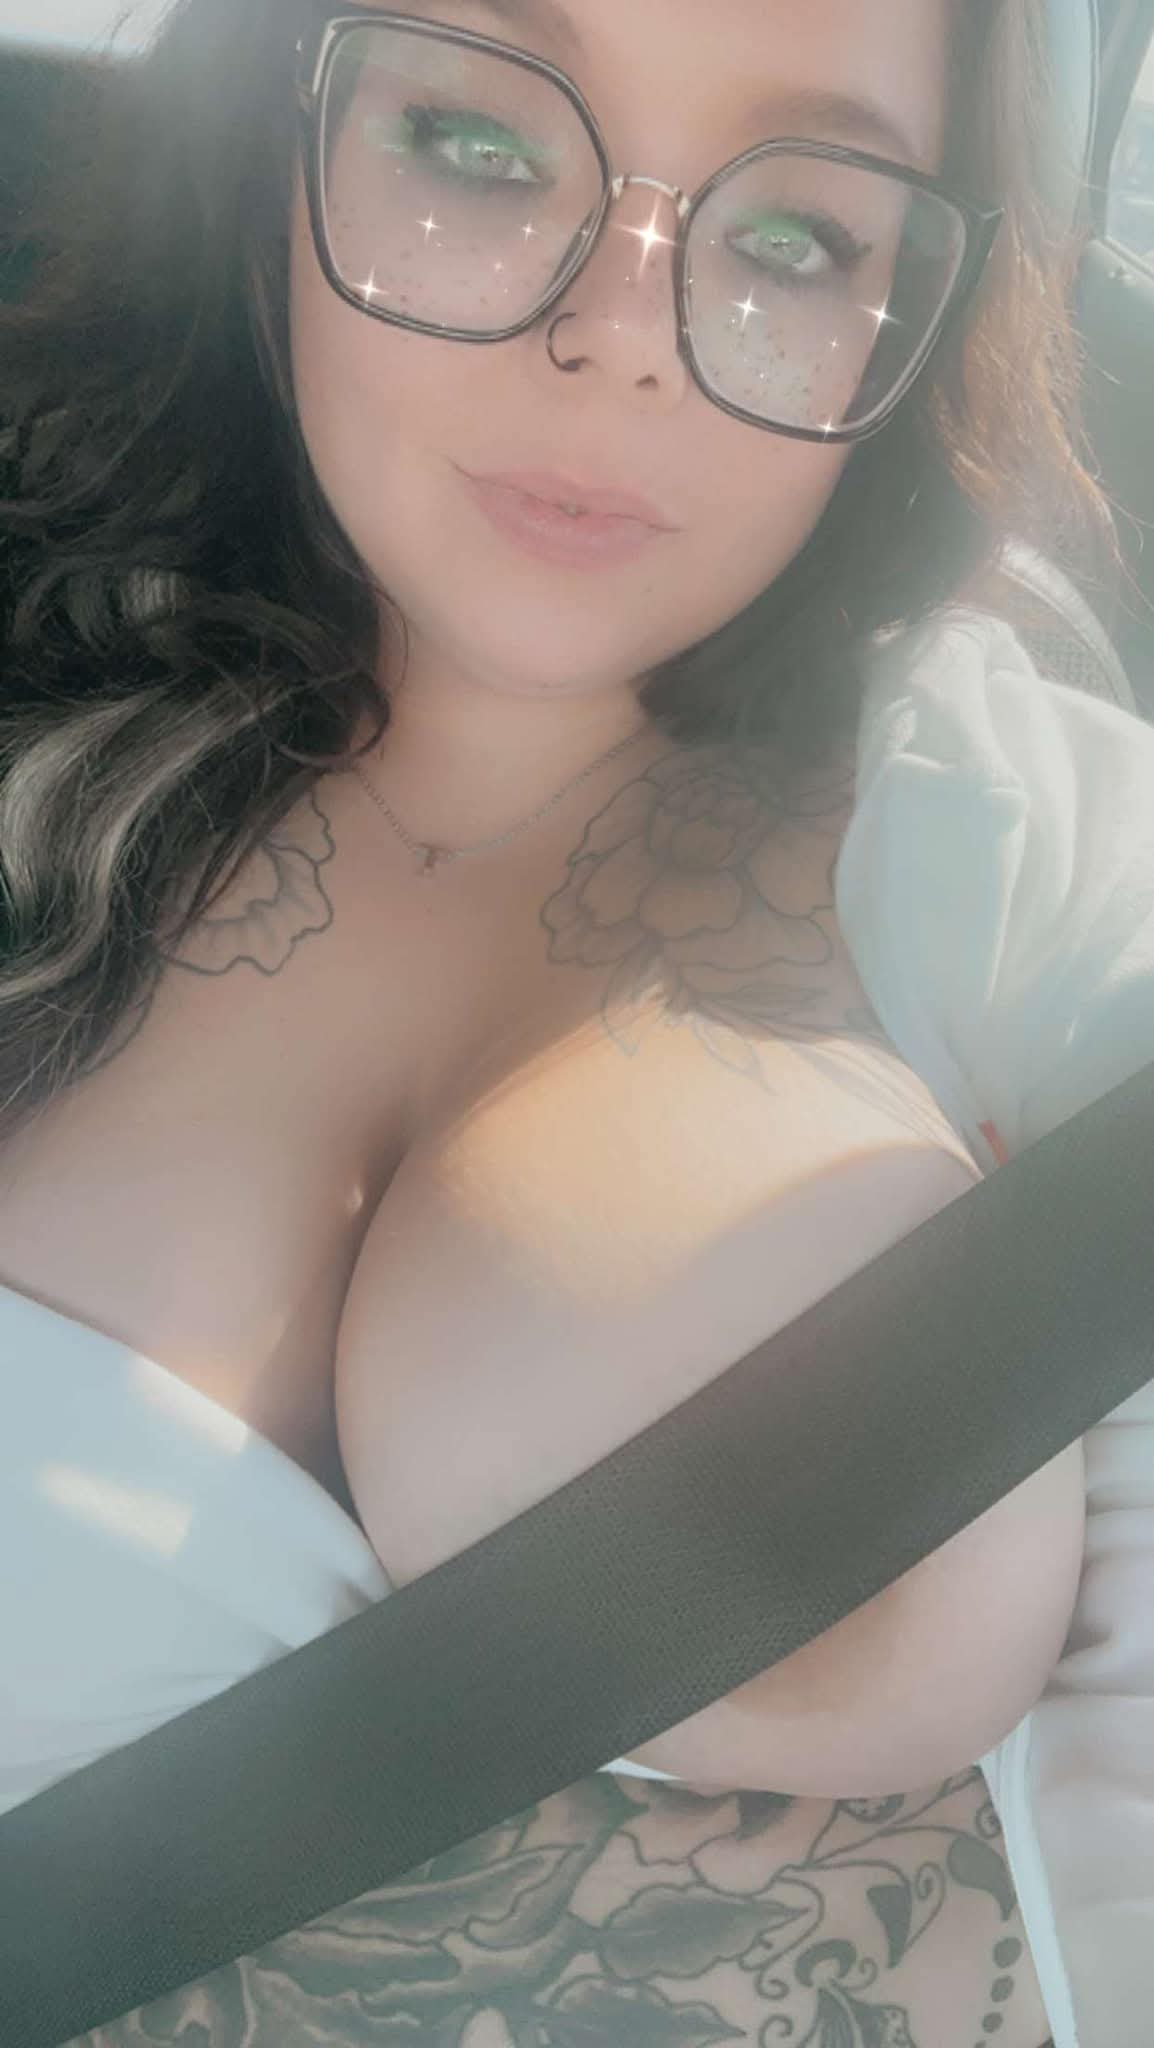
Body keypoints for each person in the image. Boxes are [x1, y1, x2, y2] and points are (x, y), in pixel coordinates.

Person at [2, 2, 1152, 2044]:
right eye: (475, 143)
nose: (620, 333)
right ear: (277, 132)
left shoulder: (1034, 859)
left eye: (794, 236)